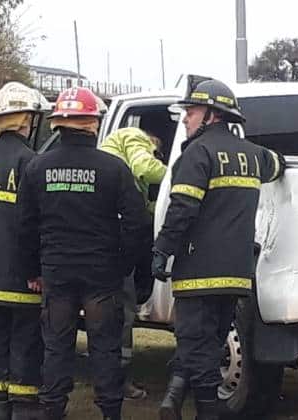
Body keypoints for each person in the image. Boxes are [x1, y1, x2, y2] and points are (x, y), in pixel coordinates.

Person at [152, 78, 285, 420]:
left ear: (211, 114)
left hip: (197, 271)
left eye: (191, 112)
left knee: (195, 344)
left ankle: (206, 411)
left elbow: (182, 208)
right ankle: (176, 399)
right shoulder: (253, 156)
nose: (185, 119)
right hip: (236, 273)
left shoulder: (196, 154)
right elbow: (279, 165)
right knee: (211, 344)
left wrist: (162, 249)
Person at [17, 87, 149, 420]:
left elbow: (25, 226)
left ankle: (53, 411)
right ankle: (110, 413)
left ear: (58, 123)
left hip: (57, 273)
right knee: (105, 347)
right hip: (102, 274)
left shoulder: (37, 167)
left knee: (57, 347)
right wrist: (122, 264)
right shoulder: (114, 168)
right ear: (93, 123)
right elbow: (137, 222)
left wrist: (34, 270)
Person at [0, 82, 49, 420]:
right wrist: (37, 269)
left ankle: (2, 408)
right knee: (26, 342)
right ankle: (23, 410)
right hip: (22, 277)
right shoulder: (31, 162)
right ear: (23, 121)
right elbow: (33, 224)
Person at [100, 127, 167, 400]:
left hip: (93, 238)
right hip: (112, 240)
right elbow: (145, 168)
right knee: (121, 311)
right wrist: (181, 172)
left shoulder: (112, 152)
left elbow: (140, 204)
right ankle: (117, 381)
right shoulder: (135, 138)